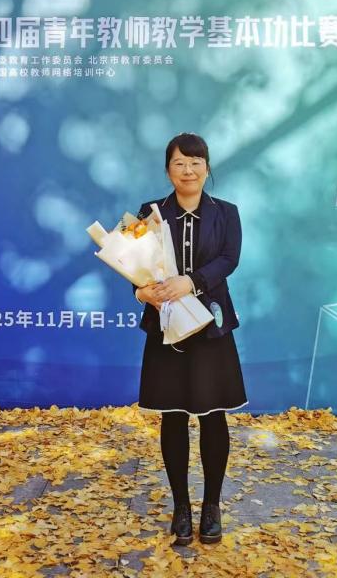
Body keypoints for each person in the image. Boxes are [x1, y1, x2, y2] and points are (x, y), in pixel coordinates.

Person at [132, 132, 248, 546]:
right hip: (165, 326)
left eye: (196, 162)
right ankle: (181, 506)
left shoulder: (226, 213)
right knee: (173, 415)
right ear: (168, 170)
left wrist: (192, 282)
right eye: (179, 163)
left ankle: (211, 505)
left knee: (213, 415)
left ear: (207, 168)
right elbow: (133, 263)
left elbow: (229, 259)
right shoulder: (148, 213)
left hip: (210, 326)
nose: (188, 170)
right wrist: (141, 292)